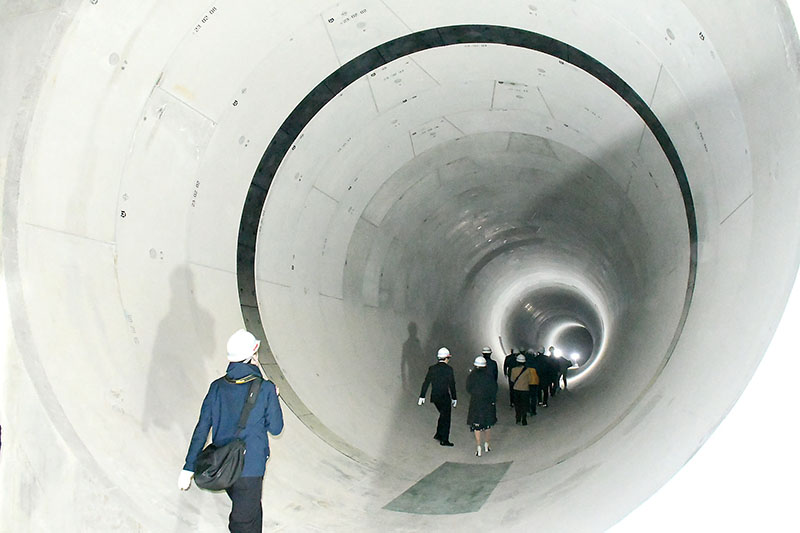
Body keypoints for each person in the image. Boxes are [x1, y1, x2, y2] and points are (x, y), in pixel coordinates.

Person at [179, 329, 284, 533]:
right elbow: (276, 427)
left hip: (224, 465)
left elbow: (202, 428)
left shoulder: (216, 387)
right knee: (243, 524)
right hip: (250, 469)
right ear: (253, 355)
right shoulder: (265, 388)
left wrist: (188, 467)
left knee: (252, 514)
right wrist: (273, 397)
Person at [418, 347, 457, 446]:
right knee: (446, 418)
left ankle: (438, 434)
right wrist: (454, 397)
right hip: (444, 397)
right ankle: (444, 439)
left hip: (435, 397)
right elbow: (452, 384)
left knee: (443, 415)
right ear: (446, 358)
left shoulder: (432, 368)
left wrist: (422, 396)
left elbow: (426, 382)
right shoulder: (449, 369)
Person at [466, 356, 498, 456]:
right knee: (488, 424)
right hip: (487, 402)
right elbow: (494, 388)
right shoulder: (489, 376)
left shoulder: (472, 376)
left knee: (477, 426)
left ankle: (478, 447)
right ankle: (487, 445)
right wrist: (492, 400)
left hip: (476, 402)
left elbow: (468, 388)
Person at [510, 354, 532, 425]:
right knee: (524, 404)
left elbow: (512, 379)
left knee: (517, 404)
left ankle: (518, 417)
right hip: (525, 390)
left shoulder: (513, 370)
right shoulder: (527, 370)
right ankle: (524, 419)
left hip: (516, 389)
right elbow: (529, 380)